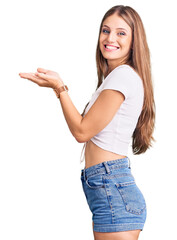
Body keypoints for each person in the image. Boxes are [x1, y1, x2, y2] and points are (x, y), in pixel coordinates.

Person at [19, 5, 155, 240]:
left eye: (121, 33)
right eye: (105, 30)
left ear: (134, 41)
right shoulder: (116, 77)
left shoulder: (123, 76)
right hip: (108, 186)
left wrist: (59, 88)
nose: (110, 38)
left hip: (111, 186)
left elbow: (82, 131)